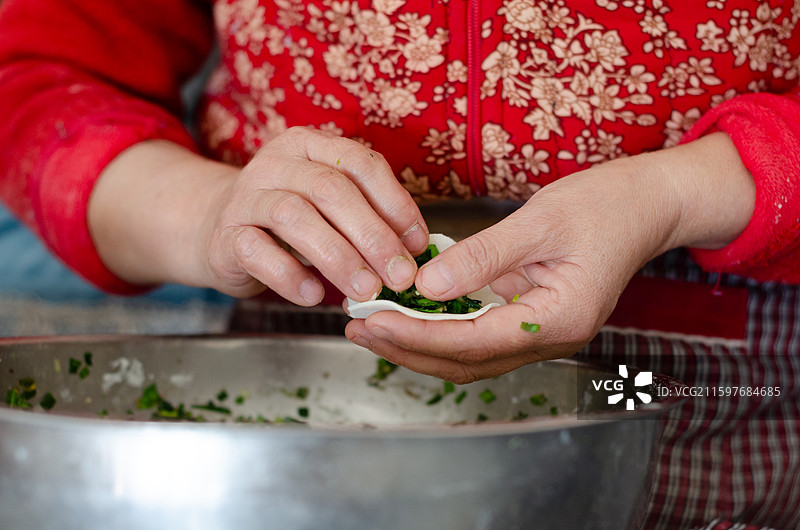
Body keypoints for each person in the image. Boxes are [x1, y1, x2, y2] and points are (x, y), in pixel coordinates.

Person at [0, 1, 798, 528]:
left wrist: (673, 196)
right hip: (299, 383)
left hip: (683, 391)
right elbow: (41, 79)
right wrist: (211, 215)